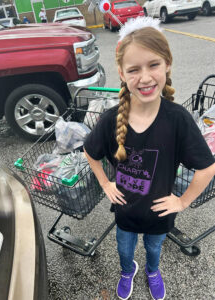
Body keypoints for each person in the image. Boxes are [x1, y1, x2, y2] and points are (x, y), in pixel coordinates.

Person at [83, 17, 215, 300]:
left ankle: (153, 272)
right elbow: (90, 152)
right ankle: (127, 270)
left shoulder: (178, 120)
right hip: (125, 215)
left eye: (153, 65)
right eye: (134, 69)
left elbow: (206, 167)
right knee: (124, 250)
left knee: (154, 250)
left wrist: (182, 201)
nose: (144, 77)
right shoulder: (110, 120)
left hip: (160, 217)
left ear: (167, 64)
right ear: (121, 72)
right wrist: (106, 184)